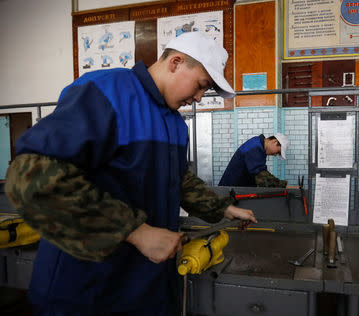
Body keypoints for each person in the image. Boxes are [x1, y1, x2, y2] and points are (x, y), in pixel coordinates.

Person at [4, 31, 256, 316]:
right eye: (201, 85)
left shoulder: (175, 124)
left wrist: (223, 207)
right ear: (175, 62)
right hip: (85, 289)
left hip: (144, 289)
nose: (198, 97)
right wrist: (135, 231)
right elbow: (31, 177)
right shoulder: (107, 93)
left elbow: (178, 178)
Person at [219, 133, 290, 187]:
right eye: (278, 152)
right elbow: (263, 178)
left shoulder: (258, 143)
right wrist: (285, 186)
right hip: (230, 190)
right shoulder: (255, 148)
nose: (275, 155)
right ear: (275, 142)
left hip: (237, 188)